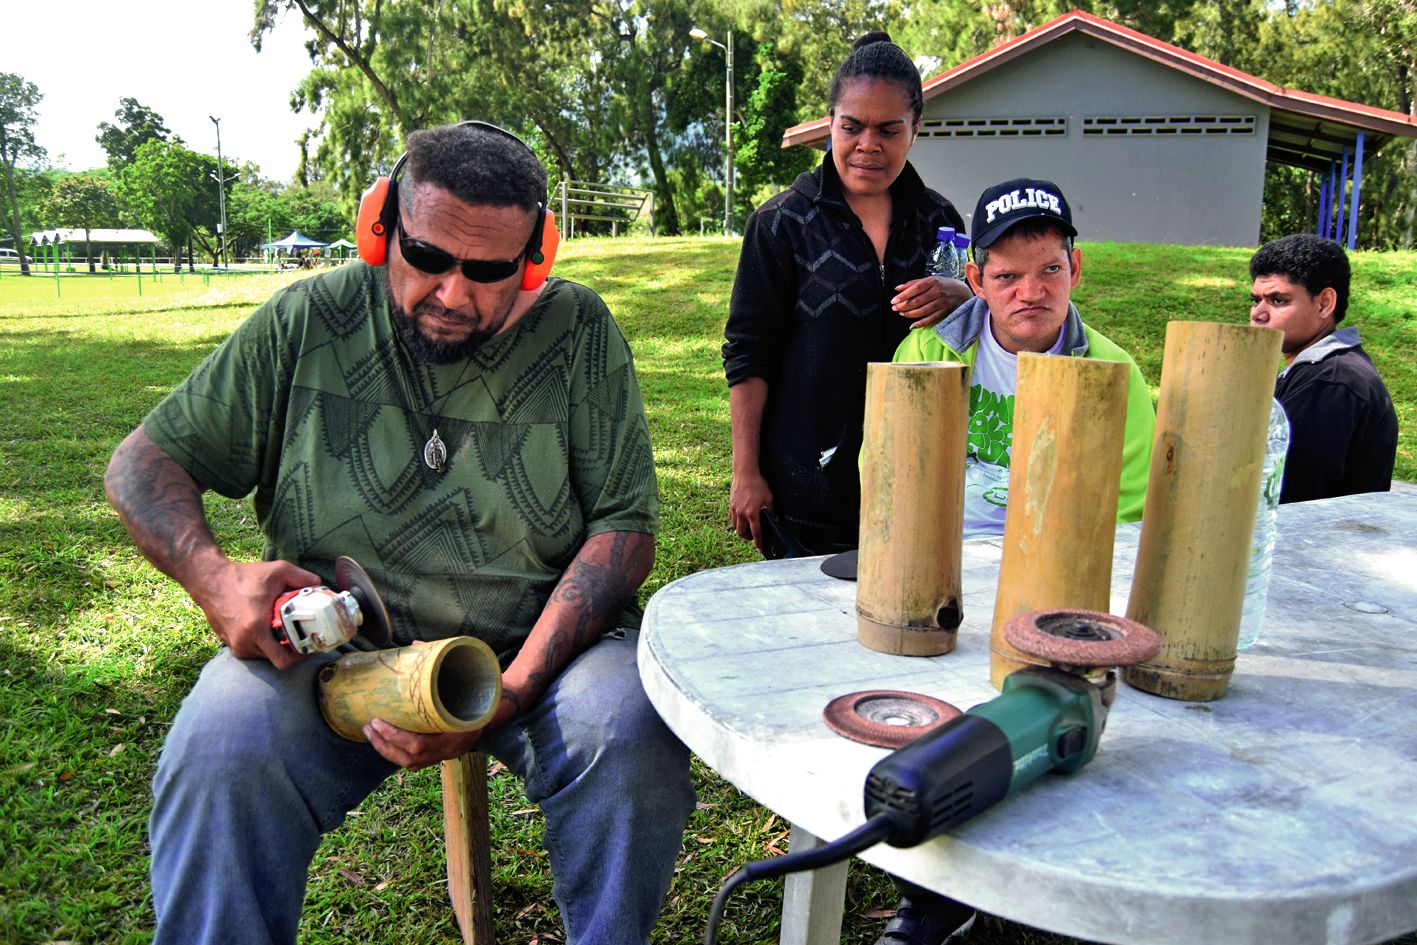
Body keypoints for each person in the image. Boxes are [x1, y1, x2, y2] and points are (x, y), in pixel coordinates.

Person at [103, 121, 694, 945]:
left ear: (535, 257)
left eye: (489, 271)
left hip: (536, 658)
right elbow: (142, 463)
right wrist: (214, 577)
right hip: (333, 659)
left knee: (628, 732)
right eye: (427, 258)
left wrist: (513, 688)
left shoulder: (579, 334)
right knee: (221, 747)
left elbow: (624, 529)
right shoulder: (306, 319)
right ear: (382, 229)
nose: (454, 294)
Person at [722, 31, 970, 557]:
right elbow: (749, 353)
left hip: (917, 481)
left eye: (889, 130)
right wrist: (746, 471)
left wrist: (965, 296)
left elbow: (988, 337)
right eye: (851, 127)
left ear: (915, 129)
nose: (867, 146)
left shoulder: (940, 222)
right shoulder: (781, 222)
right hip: (805, 490)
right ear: (830, 123)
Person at [894, 178, 1155, 538]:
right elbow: (889, 471)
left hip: (1058, 567)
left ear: (1075, 269)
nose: (1031, 293)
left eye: (1051, 270)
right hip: (938, 555)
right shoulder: (927, 351)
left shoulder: (1114, 372)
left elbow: (1129, 511)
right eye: (1007, 276)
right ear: (977, 281)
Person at [1248, 234, 1398, 503]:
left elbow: (1284, 497)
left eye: (1278, 300)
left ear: (1325, 303)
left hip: (1316, 542)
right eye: (1255, 300)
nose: (1258, 314)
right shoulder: (1321, 371)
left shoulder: (1330, 382)